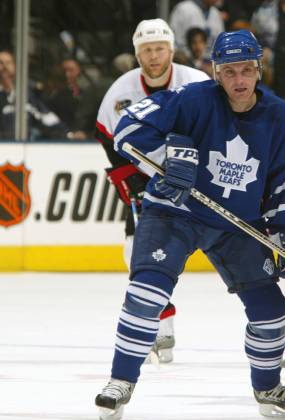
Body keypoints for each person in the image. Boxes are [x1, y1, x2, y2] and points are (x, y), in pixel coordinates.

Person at [94, 30, 285, 420]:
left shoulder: (281, 117)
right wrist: (168, 157)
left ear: (259, 70)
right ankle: (121, 380)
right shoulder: (192, 99)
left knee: (272, 312)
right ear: (216, 73)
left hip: (236, 225)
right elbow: (127, 129)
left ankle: (268, 387)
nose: (239, 80)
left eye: (247, 69)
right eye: (230, 71)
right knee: (147, 294)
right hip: (173, 212)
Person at [95, 19, 210, 363]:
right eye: (147, 50)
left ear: (172, 50)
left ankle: (278, 324)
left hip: (200, 176)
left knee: (238, 243)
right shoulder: (120, 91)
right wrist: (131, 178)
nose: (154, 56)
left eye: (160, 48)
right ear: (137, 53)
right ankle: (161, 325)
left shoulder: (197, 83)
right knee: (137, 251)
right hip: (148, 181)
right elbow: (106, 133)